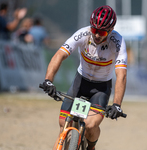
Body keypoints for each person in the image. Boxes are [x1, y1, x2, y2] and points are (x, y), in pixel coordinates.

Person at [40, 5, 127, 150]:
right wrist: (48, 81)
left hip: (101, 88)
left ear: (110, 31)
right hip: (80, 82)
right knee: (63, 124)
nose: (97, 35)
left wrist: (117, 104)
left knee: (90, 125)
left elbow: (121, 75)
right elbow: (59, 55)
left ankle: (91, 147)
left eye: (102, 32)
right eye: (94, 30)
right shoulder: (83, 34)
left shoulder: (117, 42)